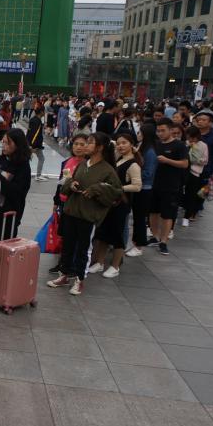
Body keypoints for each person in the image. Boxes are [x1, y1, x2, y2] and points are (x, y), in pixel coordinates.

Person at [47, 133, 122, 296]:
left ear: (100, 147)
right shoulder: (82, 164)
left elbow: (116, 193)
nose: (86, 146)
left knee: (83, 249)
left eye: (89, 143)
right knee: (67, 246)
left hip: (88, 215)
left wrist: (97, 189)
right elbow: (67, 184)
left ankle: (79, 279)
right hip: (71, 211)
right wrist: (71, 184)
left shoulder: (108, 170)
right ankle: (64, 274)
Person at [86, 133, 141, 278]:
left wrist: (118, 188)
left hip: (121, 204)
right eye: (119, 143)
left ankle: (115, 266)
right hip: (109, 202)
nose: (120, 146)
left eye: (124, 143)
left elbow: (137, 186)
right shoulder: (118, 159)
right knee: (103, 232)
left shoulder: (133, 164)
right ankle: (99, 262)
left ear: (132, 145)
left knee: (117, 235)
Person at [0, 129, 31, 279]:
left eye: (7, 143)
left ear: (17, 144)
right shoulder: (0, 160)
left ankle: (1, 279)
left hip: (9, 216)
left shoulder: (23, 166)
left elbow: (17, 192)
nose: (3, 145)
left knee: (3, 247)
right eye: (3, 142)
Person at [48, 133, 89, 274]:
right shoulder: (67, 162)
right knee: (65, 235)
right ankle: (63, 263)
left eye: (82, 144)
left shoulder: (89, 164)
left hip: (79, 205)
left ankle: (73, 266)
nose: (78, 147)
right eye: (76, 144)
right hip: (64, 203)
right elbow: (61, 183)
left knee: (76, 237)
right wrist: (56, 202)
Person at [148, 119, 188, 255]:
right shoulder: (155, 144)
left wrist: (167, 161)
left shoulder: (179, 145)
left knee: (167, 215)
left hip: (171, 186)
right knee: (153, 212)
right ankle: (154, 236)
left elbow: (184, 164)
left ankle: (163, 241)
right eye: (158, 131)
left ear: (171, 130)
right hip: (154, 184)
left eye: (163, 130)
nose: (160, 133)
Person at [127, 122, 157, 257]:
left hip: (144, 188)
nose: (137, 134)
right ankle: (136, 242)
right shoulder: (141, 147)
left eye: (139, 132)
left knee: (140, 218)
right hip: (138, 187)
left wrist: (132, 175)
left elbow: (148, 173)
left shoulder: (150, 152)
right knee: (137, 217)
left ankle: (139, 245)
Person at [181, 126, 208, 226]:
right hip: (183, 171)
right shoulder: (185, 144)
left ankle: (187, 217)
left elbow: (205, 160)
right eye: (189, 137)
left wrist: (196, 158)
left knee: (191, 195)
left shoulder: (203, 145)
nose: (191, 140)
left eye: (193, 137)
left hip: (194, 173)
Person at [27, 106, 46, 181]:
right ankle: (38, 175)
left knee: (27, 159)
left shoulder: (33, 119)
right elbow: (35, 134)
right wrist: (32, 146)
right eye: (44, 111)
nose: (44, 113)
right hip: (35, 144)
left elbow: (29, 132)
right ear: (41, 112)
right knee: (41, 158)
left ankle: (26, 173)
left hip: (30, 142)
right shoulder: (37, 122)